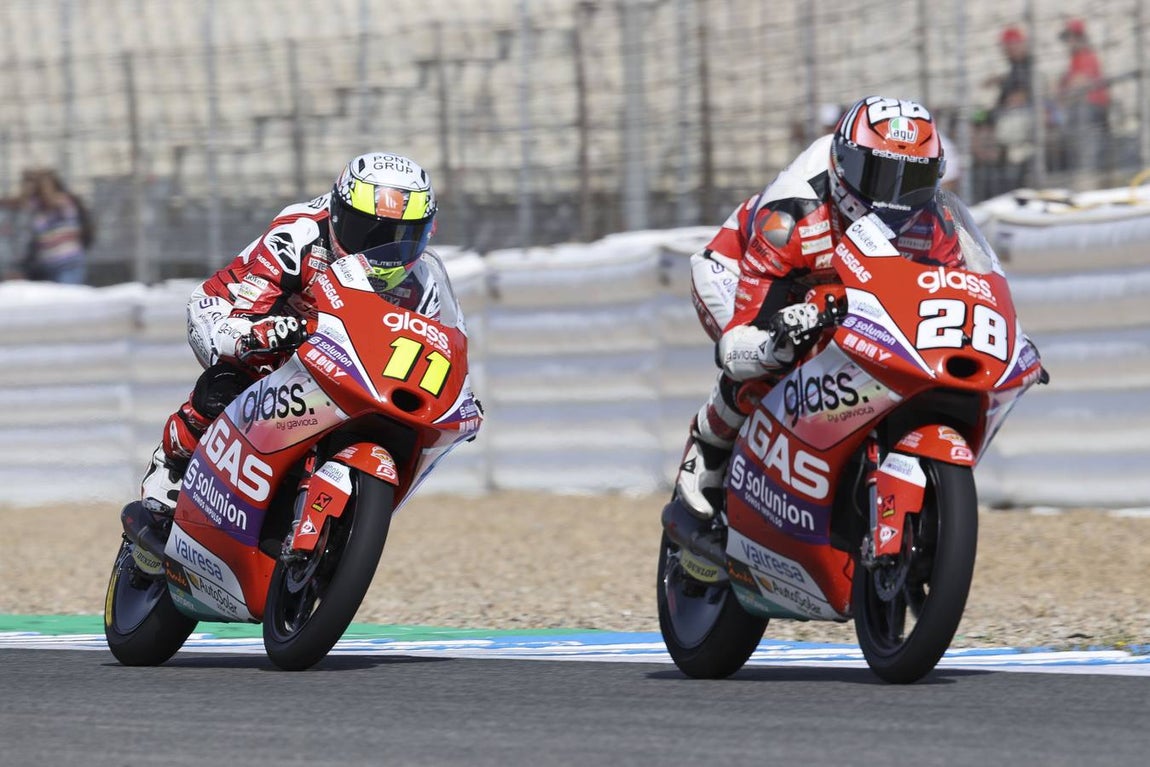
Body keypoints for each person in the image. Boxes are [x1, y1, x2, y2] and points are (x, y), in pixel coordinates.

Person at [131, 151, 442, 561]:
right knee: (242, 369)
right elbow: (249, 308)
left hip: (333, 344)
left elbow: (426, 348)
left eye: (401, 238)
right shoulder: (299, 234)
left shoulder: (421, 285)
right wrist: (261, 333)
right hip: (235, 308)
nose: (381, 252)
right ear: (337, 214)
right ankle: (172, 463)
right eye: (369, 234)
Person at [677, 95, 962, 519]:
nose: (897, 199)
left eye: (913, 181)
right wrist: (776, 335)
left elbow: (954, 292)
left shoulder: (931, 223)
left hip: (837, 293)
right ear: (845, 165)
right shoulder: (791, 214)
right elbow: (740, 338)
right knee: (767, 358)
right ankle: (708, 449)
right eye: (881, 176)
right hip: (738, 268)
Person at [19, 169, 93, 284]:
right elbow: (24, 205)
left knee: (67, 296)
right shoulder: (36, 209)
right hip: (46, 266)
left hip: (68, 262)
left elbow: (77, 226)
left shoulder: (65, 203)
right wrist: (29, 184)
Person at [1056, 18, 1110, 173]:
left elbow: (1077, 84)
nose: (1068, 42)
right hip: (1083, 110)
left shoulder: (1085, 55)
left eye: (1070, 37)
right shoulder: (1076, 58)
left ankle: (1086, 172)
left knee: (1086, 152)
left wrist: (1063, 92)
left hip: (1090, 109)